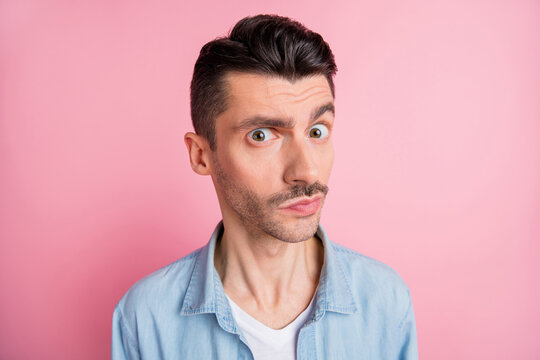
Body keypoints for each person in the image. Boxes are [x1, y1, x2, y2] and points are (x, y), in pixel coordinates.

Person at [112, 14, 418, 360]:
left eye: (317, 131)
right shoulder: (144, 318)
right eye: (262, 135)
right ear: (201, 155)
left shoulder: (385, 302)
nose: (307, 170)